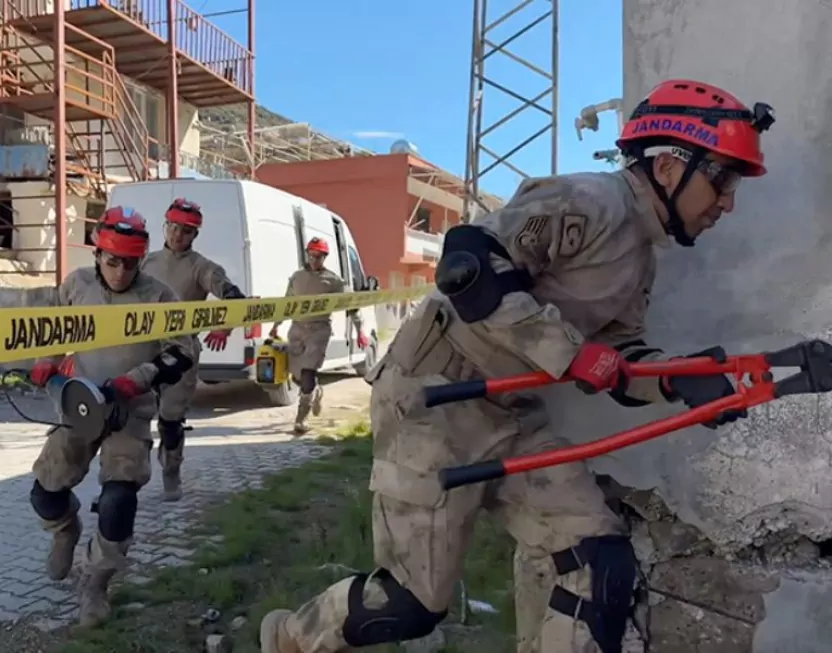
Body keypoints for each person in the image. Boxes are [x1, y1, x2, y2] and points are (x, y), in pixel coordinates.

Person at [258, 79, 775, 653]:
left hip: (511, 413)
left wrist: (680, 379)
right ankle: (291, 636)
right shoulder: (588, 201)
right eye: (722, 178)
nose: (727, 201)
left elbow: (622, 361)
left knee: (597, 561)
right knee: (409, 604)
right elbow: (469, 268)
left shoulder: (640, 259)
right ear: (673, 167)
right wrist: (572, 353)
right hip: (433, 399)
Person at [24, 207, 195, 628]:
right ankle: (66, 529)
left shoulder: (159, 296)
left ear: (142, 259)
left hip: (128, 410)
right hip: (79, 405)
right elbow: (56, 331)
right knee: (44, 492)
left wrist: (136, 380)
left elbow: (181, 352)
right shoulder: (76, 285)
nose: (120, 273)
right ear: (98, 254)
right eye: (112, 261)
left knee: (119, 501)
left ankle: (96, 582)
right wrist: (46, 362)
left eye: (130, 264)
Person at [140, 198, 247, 501]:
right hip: (142, 348)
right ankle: (121, 479)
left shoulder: (203, 268)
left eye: (186, 231)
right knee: (128, 415)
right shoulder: (147, 263)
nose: (177, 235)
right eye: (173, 227)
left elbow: (235, 299)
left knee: (170, 420)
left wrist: (223, 326)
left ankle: (171, 471)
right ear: (165, 225)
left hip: (180, 352)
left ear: (195, 235)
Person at [269, 237, 368, 434]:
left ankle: (301, 419)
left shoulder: (333, 281)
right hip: (297, 329)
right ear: (307, 254)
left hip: (319, 330)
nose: (314, 259)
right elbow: (286, 302)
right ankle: (315, 391)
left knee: (307, 373)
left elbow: (351, 304)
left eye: (318, 256)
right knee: (297, 376)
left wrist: (360, 330)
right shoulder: (296, 277)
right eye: (311, 255)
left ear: (324, 257)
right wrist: (276, 325)